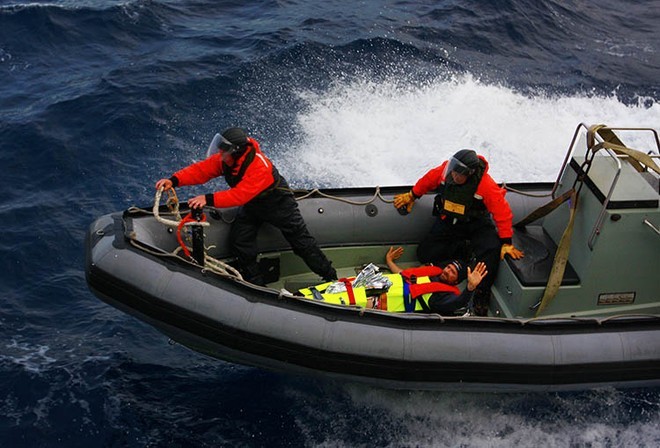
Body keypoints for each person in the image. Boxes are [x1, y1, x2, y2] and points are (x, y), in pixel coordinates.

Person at [155, 127, 337, 285]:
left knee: (301, 243)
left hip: (278, 205)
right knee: (240, 241)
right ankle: (255, 283)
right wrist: (174, 180)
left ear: (236, 152)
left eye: (223, 152)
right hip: (254, 205)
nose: (220, 155)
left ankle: (331, 277)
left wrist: (207, 199)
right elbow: (201, 170)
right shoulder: (227, 159)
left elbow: (239, 195)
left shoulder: (259, 166)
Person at [393, 149, 524, 315]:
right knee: (425, 253)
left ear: (469, 174)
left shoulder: (485, 186)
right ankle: (461, 258)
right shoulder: (445, 172)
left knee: (491, 249)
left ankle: (482, 292)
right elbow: (428, 180)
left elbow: (502, 211)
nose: (454, 177)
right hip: (450, 221)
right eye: (453, 172)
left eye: (458, 175)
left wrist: (506, 242)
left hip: (476, 223)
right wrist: (413, 194)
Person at [297, 247, 488, 316]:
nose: (448, 270)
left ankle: (307, 306)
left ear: (456, 281)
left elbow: (456, 303)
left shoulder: (443, 295)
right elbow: (403, 276)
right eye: (449, 267)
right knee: (346, 284)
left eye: (453, 272)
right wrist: (389, 262)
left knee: (350, 297)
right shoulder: (431, 274)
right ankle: (302, 295)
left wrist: (470, 288)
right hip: (380, 283)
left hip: (387, 299)